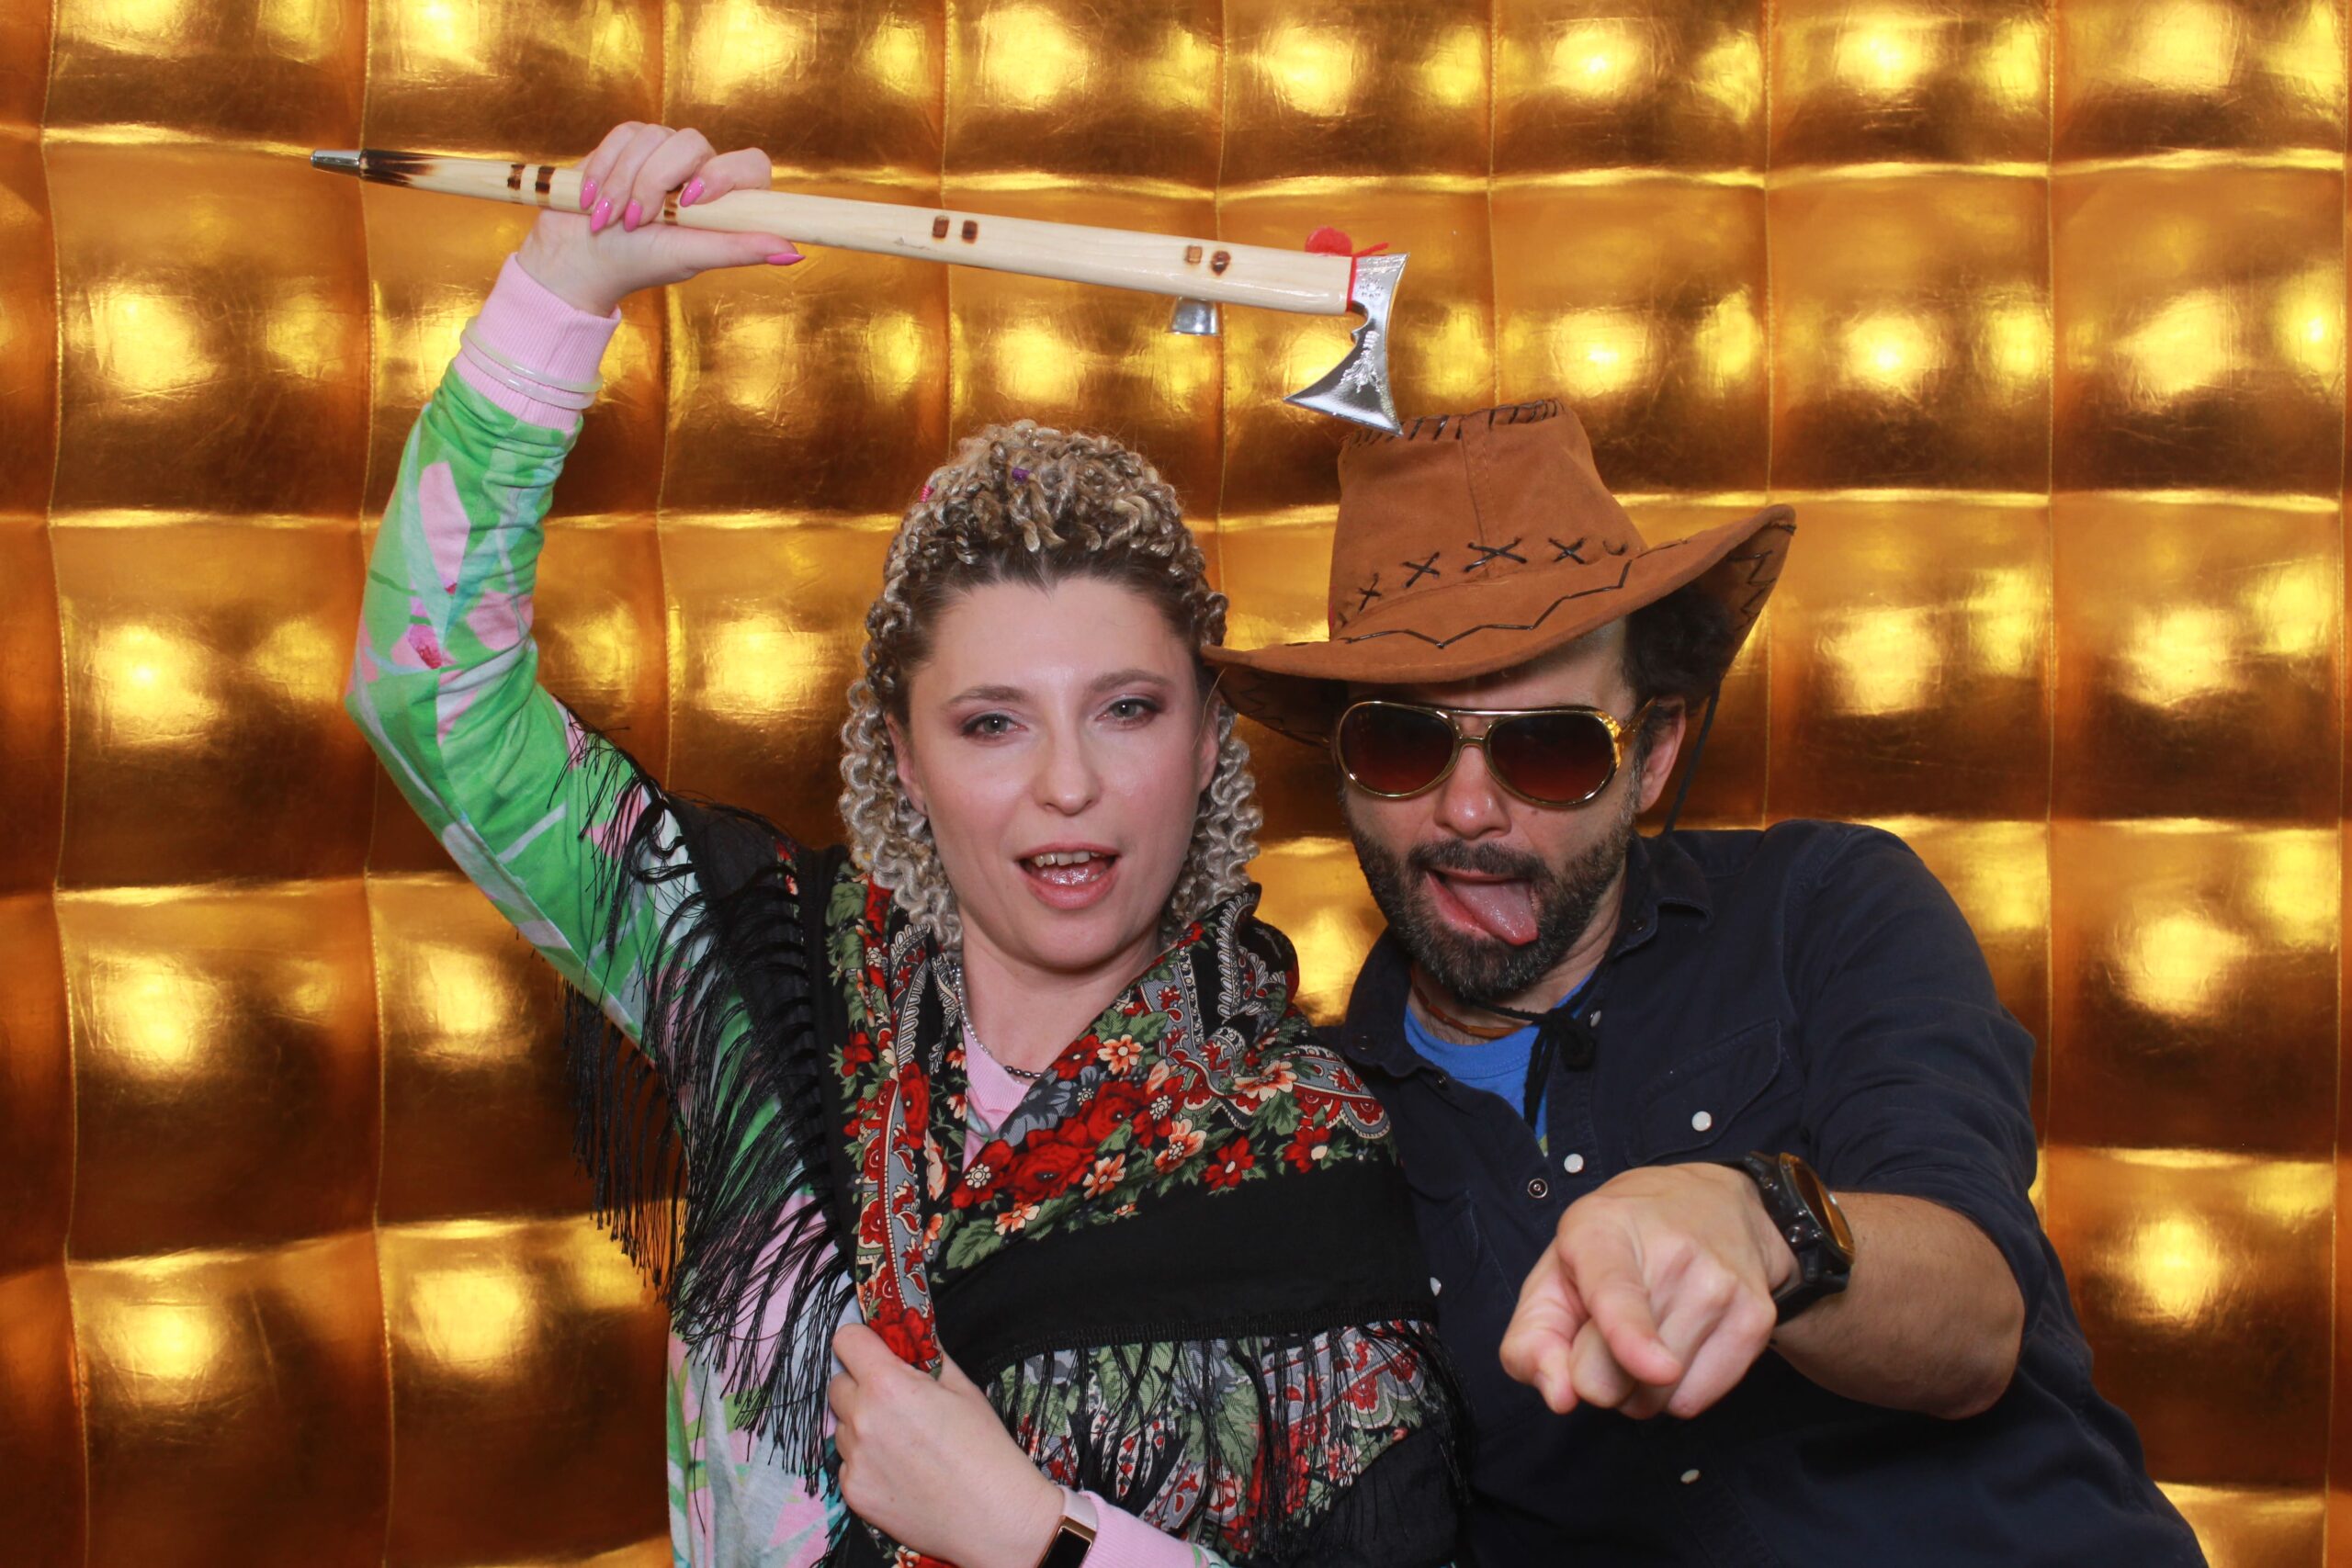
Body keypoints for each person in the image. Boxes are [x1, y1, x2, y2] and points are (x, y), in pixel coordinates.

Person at [345, 122, 1461, 1568]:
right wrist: (564, 287)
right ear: (905, 755)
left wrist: (1039, 1534)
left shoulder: (1309, 1150)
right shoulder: (766, 985)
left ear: (1205, 738)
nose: (1069, 784)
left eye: (1126, 709)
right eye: (993, 723)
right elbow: (430, 699)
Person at [1206, 399, 2207, 1564]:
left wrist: (1765, 1225)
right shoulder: (1304, 1125)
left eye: (1548, 746)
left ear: (1655, 753)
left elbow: (1976, 1324)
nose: (1467, 810)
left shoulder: (1825, 907)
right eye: (1402, 742)